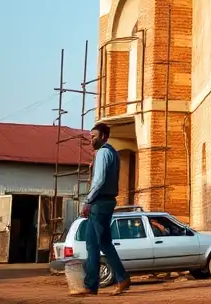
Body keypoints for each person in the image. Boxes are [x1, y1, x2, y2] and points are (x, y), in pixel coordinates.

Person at [72, 123, 130, 297]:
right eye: (91, 136)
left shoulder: (104, 152)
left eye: (94, 136)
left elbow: (99, 180)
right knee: (105, 244)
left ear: (104, 136)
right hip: (107, 202)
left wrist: (88, 201)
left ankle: (90, 286)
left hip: (99, 203)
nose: (91, 139)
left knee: (92, 245)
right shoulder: (112, 152)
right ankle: (122, 278)